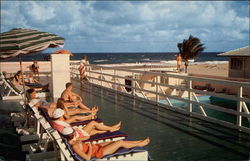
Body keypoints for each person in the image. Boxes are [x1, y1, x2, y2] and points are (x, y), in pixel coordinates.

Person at [62, 127, 150, 160]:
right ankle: (140, 144)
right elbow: (87, 158)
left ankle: (139, 142)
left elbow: (86, 138)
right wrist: (89, 147)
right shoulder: (75, 146)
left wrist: (84, 141)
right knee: (120, 142)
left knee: (114, 141)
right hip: (98, 152)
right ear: (72, 134)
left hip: (96, 147)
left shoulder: (74, 141)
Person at [51, 108, 121, 140]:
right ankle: (112, 128)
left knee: (95, 131)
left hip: (76, 133)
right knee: (93, 123)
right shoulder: (60, 126)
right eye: (63, 115)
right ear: (60, 117)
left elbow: (74, 119)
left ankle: (111, 129)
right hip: (78, 135)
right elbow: (70, 136)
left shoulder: (56, 123)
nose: (64, 115)